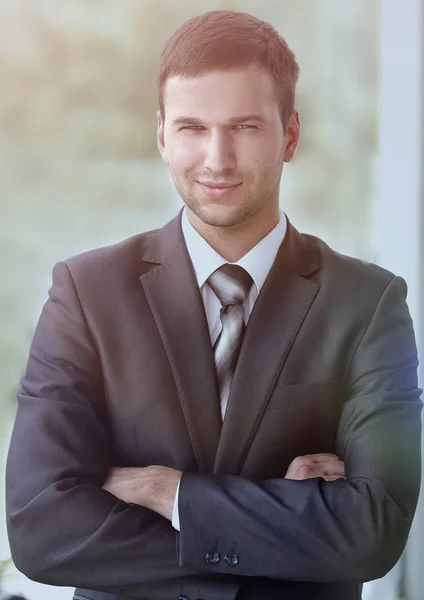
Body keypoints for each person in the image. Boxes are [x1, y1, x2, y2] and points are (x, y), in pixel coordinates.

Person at [5, 9, 422, 600]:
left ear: (291, 135)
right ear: (161, 136)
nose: (217, 159)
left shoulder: (368, 303)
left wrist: (168, 493)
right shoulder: (86, 292)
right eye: (192, 128)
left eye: (246, 127)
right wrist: (282, 524)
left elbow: (372, 532)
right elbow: (40, 530)